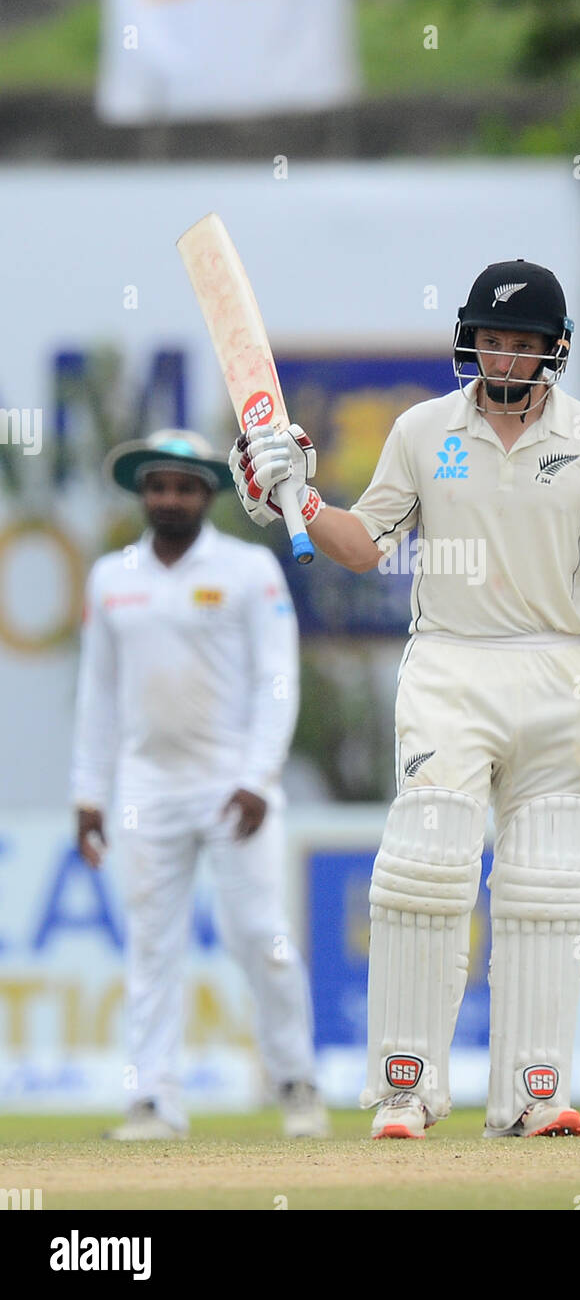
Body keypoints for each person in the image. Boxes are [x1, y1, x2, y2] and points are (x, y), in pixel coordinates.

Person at [230, 260, 580, 1140]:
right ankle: (407, 1088)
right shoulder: (423, 430)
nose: (505, 359)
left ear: (555, 351)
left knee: (547, 891)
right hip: (448, 666)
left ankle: (531, 1093)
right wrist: (296, 498)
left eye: (522, 345)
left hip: (556, 671)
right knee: (425, 868)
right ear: (470, 342)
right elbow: (360, 546)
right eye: (492, 342)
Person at [72, 428, 327, 1140]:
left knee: (261, 937)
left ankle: (296, 1083)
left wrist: (255, 776)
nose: (169, 498)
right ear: (142, 494)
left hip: (232, 783)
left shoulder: (250, 571)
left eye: (184, 486)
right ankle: (152, 1099)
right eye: (157, 486)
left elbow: (279, 680)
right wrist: (88, 793)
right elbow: (97, 695)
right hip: (146, 786)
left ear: (209, 495)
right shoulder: (111, 577)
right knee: (151, 947)